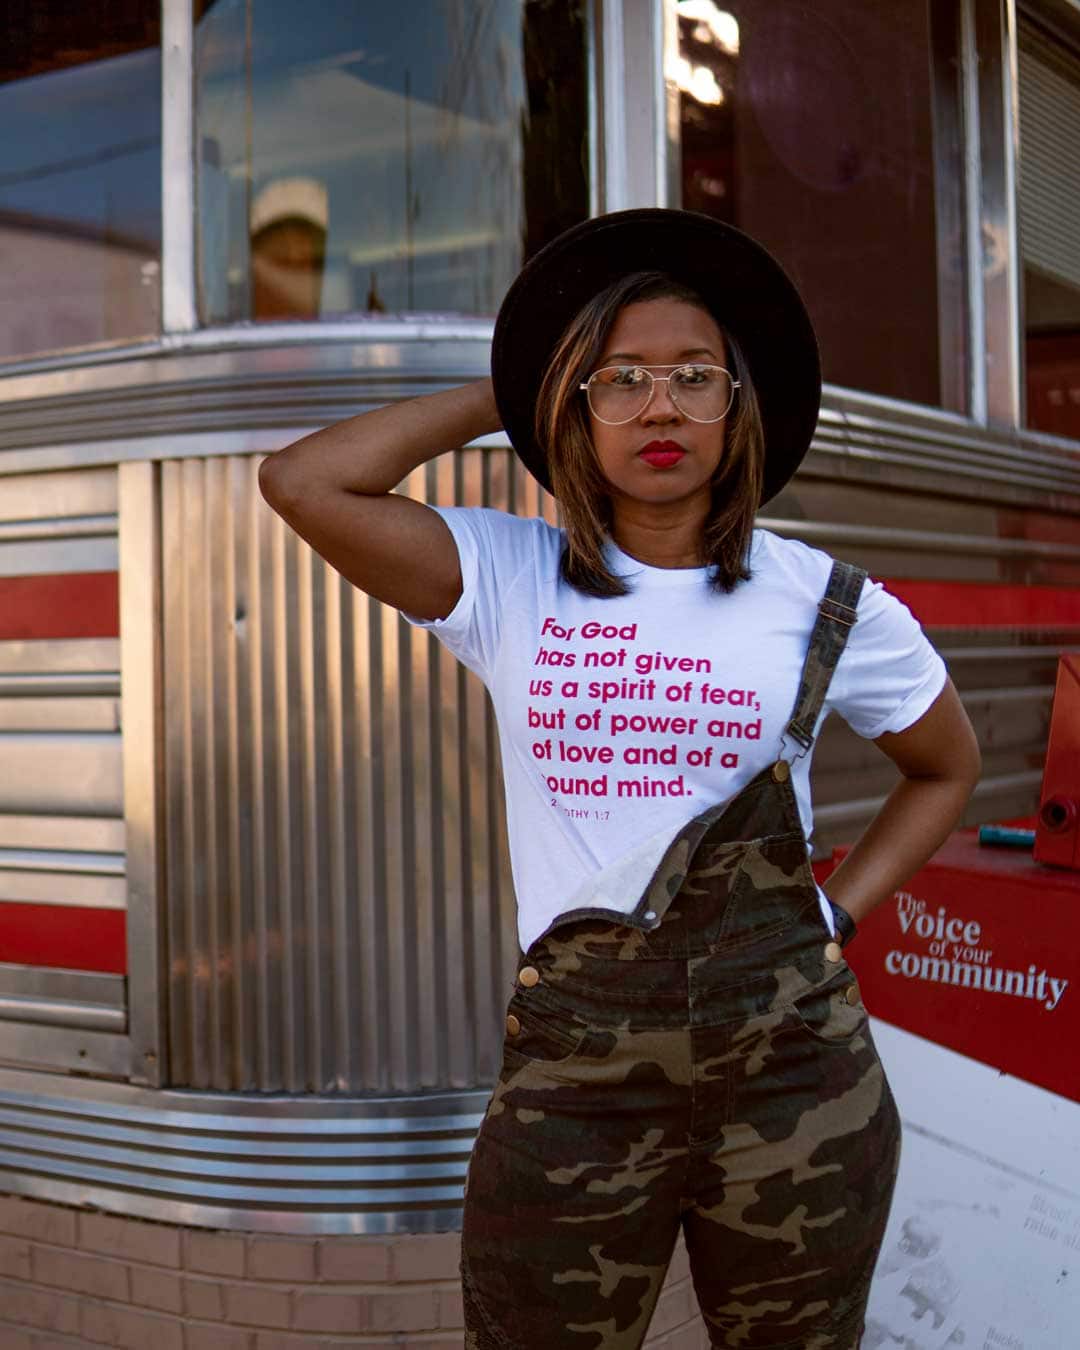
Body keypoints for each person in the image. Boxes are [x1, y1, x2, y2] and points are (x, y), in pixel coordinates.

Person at [259, 209, 981, 1350]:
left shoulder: (828, 599)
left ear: (739, 405)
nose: (659, 406)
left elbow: (946, 770)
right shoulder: (511, 576)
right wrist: (516, 391)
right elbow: (305, 481)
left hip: (794, 1080)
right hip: (577, 1091)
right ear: (575, 409)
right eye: (621, 381)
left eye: (696, 377)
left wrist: (836, 913)